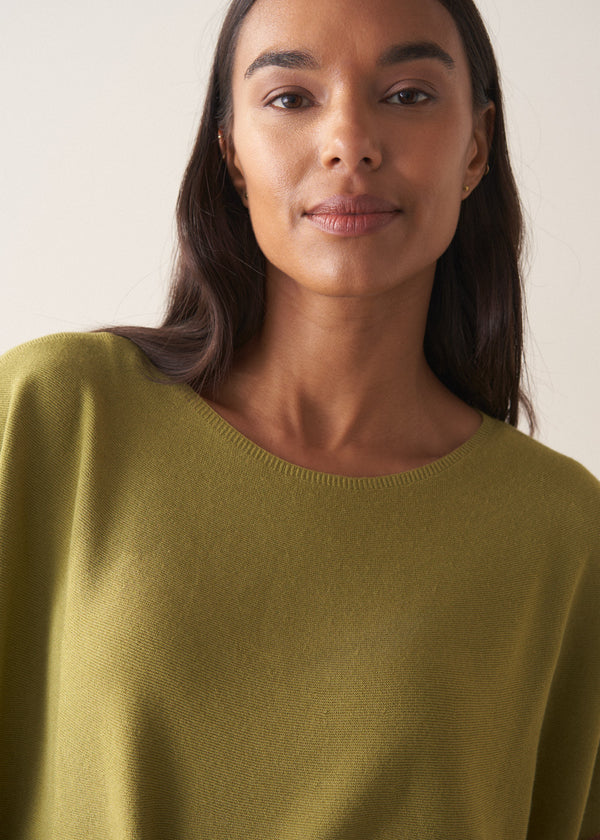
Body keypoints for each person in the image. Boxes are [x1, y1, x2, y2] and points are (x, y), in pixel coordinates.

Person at [0, 0, 598, 836]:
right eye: (290, 98)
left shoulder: (565, 535)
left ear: (477, 147)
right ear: (231, 153)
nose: (349, 140)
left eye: (409, 95)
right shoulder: (56, 418)